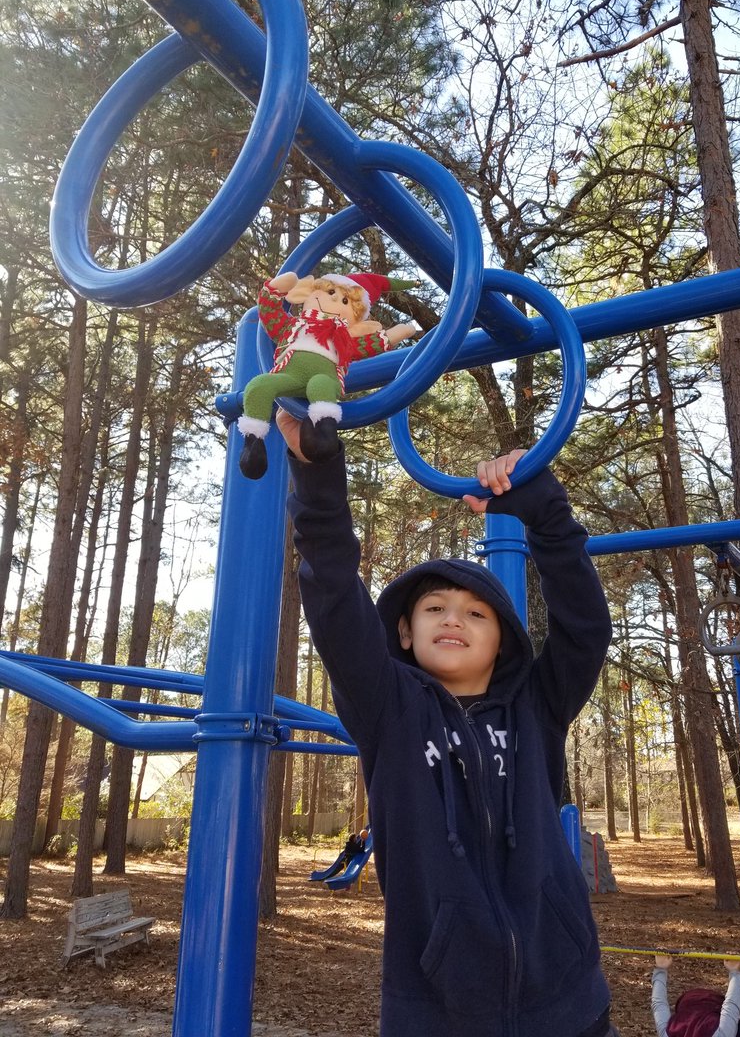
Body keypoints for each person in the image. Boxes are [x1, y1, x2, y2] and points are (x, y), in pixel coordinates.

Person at [281, 415, 616, 1037]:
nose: (452, 618)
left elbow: (585, 629)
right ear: (405, 632)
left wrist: (544, 513)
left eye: (476, 612)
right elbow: (331, 594)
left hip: (566, 1000)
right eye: (433, 608)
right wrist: (318, 475)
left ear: (504, 639)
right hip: (437, 1008)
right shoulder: (388, 708)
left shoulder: (535, 707)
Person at [651, 955, 740, 1037]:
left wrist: (734, 971)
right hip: (708, 1003)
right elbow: (658, 1004)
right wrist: (661, 968)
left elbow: (732, 1006)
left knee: (732, 1022)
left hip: (692, 1003)